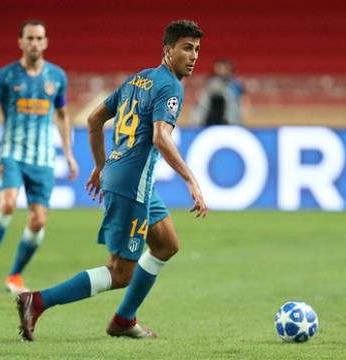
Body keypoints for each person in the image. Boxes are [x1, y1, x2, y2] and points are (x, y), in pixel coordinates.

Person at [16, 19, 208, 341]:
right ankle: (36, 302)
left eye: (197, 49)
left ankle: (124, 319)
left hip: (133, 181)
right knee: (120, 273)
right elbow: (161, 138)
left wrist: (102, 165)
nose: (194, 56)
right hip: (132, 187)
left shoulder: (138, 79)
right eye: (187, 48)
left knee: (166, 244)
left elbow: (94, 120)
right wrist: (192, 181)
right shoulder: (170, 87)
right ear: (168, 50)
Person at [0, 19, 79, 295]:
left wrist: (70, 154)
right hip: (12, 154)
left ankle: (14, 275)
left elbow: (62, 115)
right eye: (30, 38)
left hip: (43, 160)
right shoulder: (6, 76)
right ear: (20, 42)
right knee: (7, 204)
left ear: (46, 42)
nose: (34, 43)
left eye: (39, 38)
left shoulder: (57, 77)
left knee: (38, 220)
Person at [190, 58, 248, 126]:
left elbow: (242, 101)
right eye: (219, 68)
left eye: (223, 68)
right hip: (210, 121)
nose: (221, 71)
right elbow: (202, 105)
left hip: (231, 121)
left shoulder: (235, 84)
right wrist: (196, 122)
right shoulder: (211, 84)